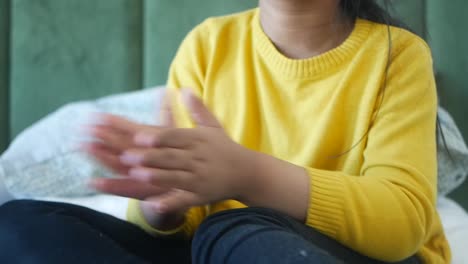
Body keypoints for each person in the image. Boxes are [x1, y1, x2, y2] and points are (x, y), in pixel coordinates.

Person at [0, 0, 451, 263]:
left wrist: (248, 175)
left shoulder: (399, 55)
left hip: (354, 254)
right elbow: (187, 220)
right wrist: (163, 207)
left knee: (231, 228)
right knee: (20, 222)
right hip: (218, 250)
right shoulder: (207, 45)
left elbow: (403, 221)